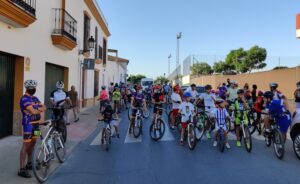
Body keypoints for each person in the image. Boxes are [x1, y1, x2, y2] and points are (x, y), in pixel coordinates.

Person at [18, 80, 46, 178]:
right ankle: (21, 169)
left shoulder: (35, 98)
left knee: (33, 143)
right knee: (26, 145)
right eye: (31, 88)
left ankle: (29, 163)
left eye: (34, 88)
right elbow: (33, 111)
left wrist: (37, 109)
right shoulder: (24, 99)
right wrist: (38, 109)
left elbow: (44, 107)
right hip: (28, 125)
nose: (33, 89)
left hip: (36, 125)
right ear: (27, 88)